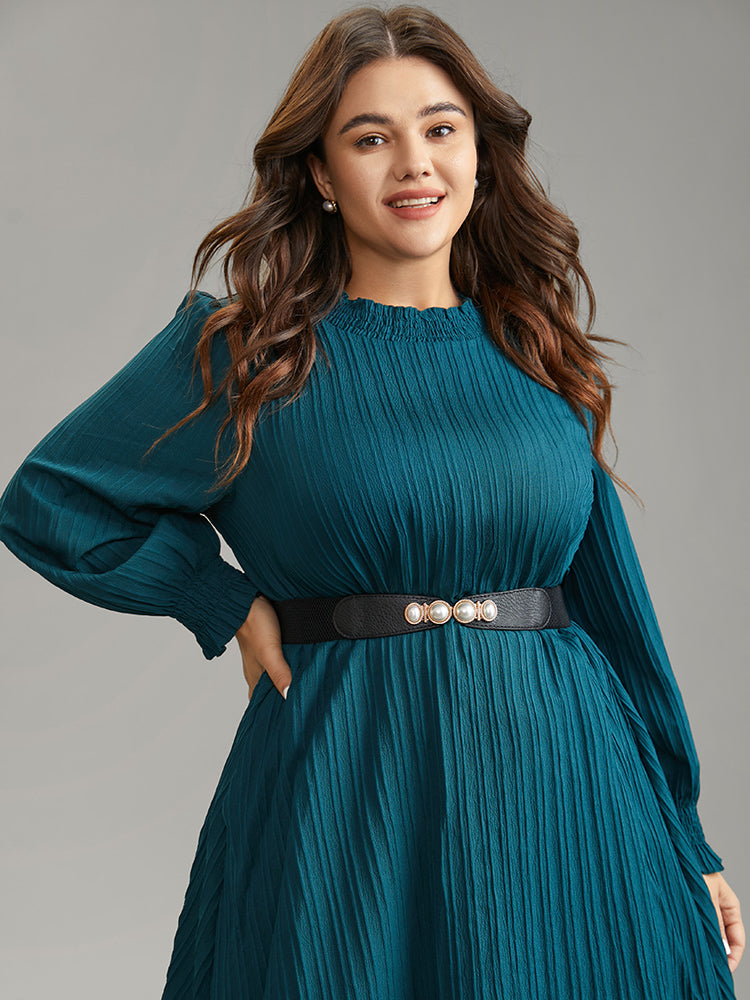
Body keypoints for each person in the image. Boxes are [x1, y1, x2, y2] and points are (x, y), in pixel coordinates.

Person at [0, 4, 744, 997]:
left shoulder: (536, 349)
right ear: (319, 173)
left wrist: (689, 838)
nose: (414, 164)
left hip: (574, 798)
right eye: (370, 138)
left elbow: (613, 611)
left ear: (478, 156)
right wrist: (223, 603)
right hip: (347, 786)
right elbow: (49, 501)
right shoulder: (250, 352)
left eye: (440, 129)